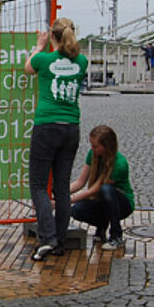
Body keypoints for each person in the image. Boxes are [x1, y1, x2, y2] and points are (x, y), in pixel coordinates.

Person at [24, 17, 89, 261]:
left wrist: (39, 46)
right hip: (71, 127)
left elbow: (28, 67)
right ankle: (60, 241)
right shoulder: (81, 61)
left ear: (52, 37)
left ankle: (48, 238)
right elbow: (70, 57)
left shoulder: (44, 59)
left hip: (46, 126)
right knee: (62, 187)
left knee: (39, 185)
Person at [69, 125, 135, 250]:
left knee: (106, 190)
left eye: (95, 146)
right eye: (91, 145)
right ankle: (101, 226)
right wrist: (58, 194)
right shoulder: (92, 155)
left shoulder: (119, 164)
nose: (92, 149)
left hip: (122, 203)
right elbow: (80, 182)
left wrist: (62, 202)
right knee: (76, 210)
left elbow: (94, 190)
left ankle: (116, 235)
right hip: (101, 200)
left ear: (106, 147)